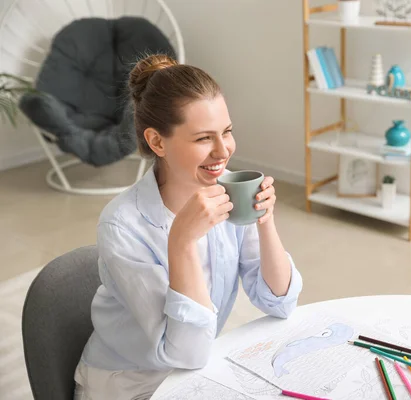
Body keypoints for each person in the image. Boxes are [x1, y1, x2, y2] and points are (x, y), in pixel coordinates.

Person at [73, 54, 303, 399]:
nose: (223, 151)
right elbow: (186, 351)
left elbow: (279, 302)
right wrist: (181, 241)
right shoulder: (122, 225)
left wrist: (265, 222)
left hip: (195, 373)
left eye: (227, 132)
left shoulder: (228, 193)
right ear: (157, 142)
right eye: (202, 139)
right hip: (128, 384)